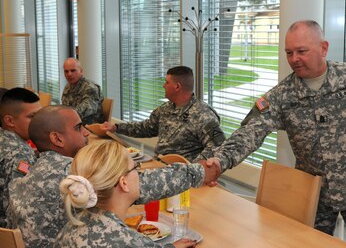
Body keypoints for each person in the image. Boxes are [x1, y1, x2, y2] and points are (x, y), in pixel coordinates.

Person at [207, 20, 346, 241]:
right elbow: (249, 133)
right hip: (314, 195)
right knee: (307, 244)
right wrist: (221, 160)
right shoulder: (282, 96)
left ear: (323, 48)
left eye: (301, 51)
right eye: (289, 52)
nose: (294, 59)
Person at [8, 105, 218, 247]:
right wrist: (204, 171)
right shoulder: (70, 174)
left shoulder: (37, 169)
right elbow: (146, 186)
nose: (86, 133)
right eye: (79, 127)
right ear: (56, 138)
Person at [54, 140, 197, 248]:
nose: (139, 174)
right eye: (135, 168)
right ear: (124, 183)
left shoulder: (74, 224)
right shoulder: (128, 241)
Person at [100, 65, 225, 162]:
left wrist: (193, 168)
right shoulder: (166, 108)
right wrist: (116, 127)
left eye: (166, 82)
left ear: (177, 87)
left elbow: (218, 146)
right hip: (160, 165)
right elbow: (146, 128)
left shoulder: (203, 115)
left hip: (183, 174)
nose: (163, 85)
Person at [0, 87, 41, 227]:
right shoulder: (19, 154)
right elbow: (18, 211)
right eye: (32, 117)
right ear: (10, 121)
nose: (39, 122)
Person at [62, 57, 105, 125]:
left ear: (81, 71)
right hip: (73, 125)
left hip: (89, 128)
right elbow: (64, 108)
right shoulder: (67, 87)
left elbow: (82, 112)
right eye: (66, 71)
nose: (69, 74)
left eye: (73, 70)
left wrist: (61, 116)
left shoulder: (90, 88)